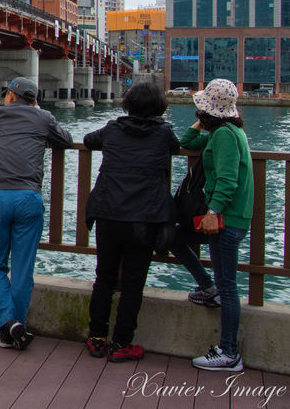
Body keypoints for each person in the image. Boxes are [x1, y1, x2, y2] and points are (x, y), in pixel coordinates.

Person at [82, 82, 179, 362]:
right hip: (144, 218)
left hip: (109, 213)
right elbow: (177, 147)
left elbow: (89, 140)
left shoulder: (113, 129)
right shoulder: (163, 133)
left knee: (104, 277)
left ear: (128, 104)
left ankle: (97, 338)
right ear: (160, 106)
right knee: (134, 283)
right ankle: (122, 342)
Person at [0, 76, 73, 350]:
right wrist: (39, 114)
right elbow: (66, 140)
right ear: (33, 100)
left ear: (9, 96)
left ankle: (8, 325)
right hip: (28, 198)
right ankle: (13, 329)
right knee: (22, 270)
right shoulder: (43, 118)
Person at [170, 78, 253, 372]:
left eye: (201, 110)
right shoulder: (224, 132)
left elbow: (228, 179)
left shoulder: (225, 136)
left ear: (209, 112)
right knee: (176, 238)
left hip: (225, 218)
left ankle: (230, 353)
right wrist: (202, 122)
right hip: (226, 217)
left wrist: (212, 210)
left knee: (229, 287)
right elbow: (186, 143)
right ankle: (207, 287)